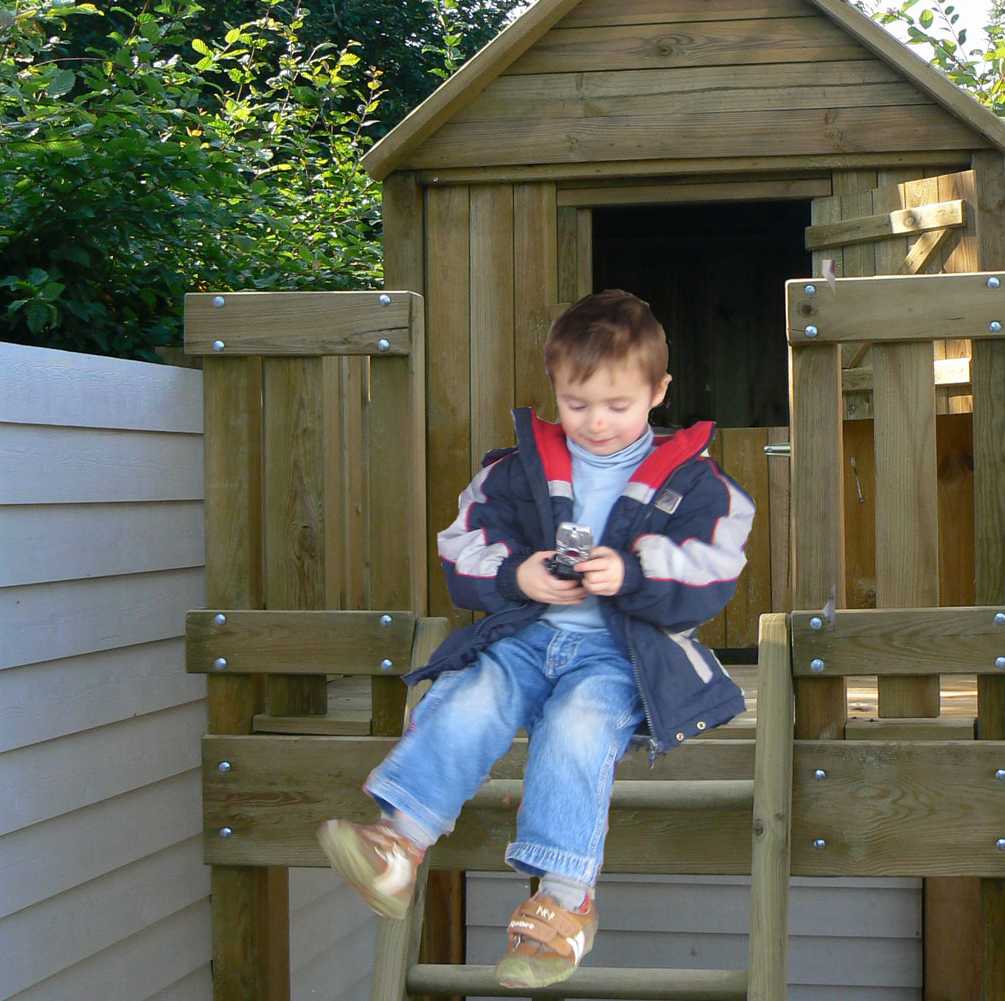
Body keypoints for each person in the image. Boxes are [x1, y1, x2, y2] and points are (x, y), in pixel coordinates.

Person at [317, 289, 754, 989]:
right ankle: (399, 844)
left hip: (621, 655)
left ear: (658, 391)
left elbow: (715, 568)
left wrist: (634, 572)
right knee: (468, 696)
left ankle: (565, 900)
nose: (597, 422)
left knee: (577, 725)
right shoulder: (517, 469)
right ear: (555, 388)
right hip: (525, 638)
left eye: (618, 405)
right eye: (577, 404)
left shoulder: (696, 483)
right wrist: (517, 574)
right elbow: (462, 544)